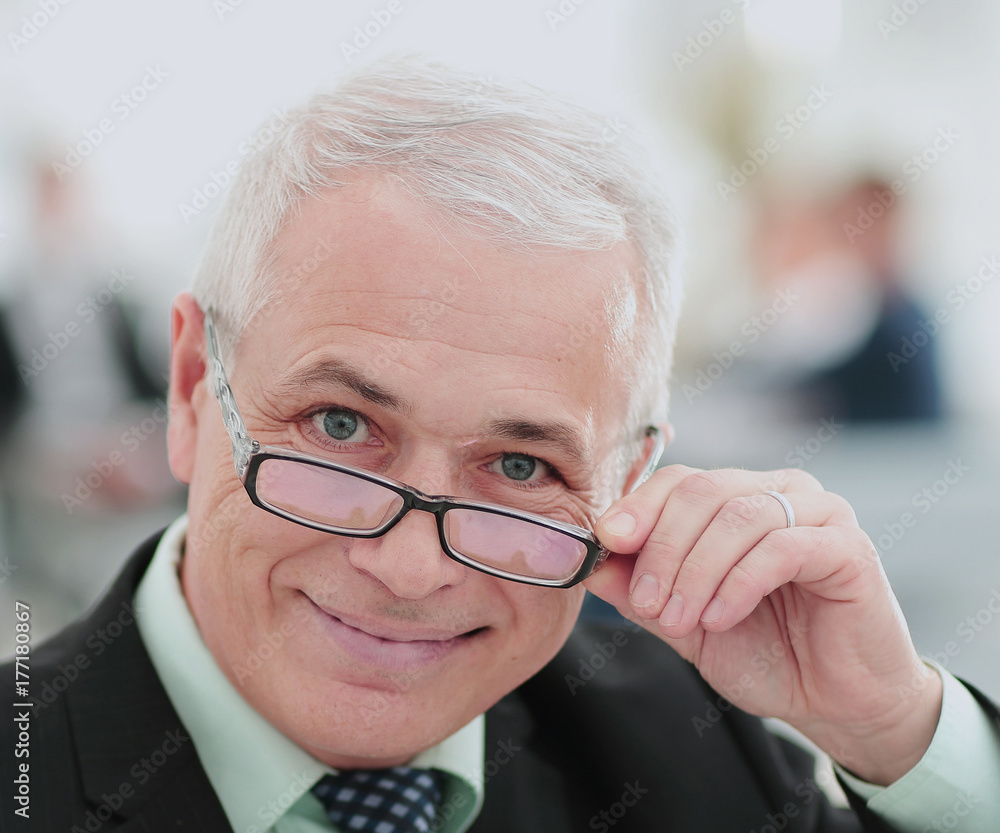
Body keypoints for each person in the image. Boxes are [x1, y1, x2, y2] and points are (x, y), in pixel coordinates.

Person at [3, 59, 998, 832]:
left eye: (520, 466)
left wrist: (891, 727)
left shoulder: (679, 744)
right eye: (340, 425)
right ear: (189, 391)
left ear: (627, 481)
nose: (407, 566)